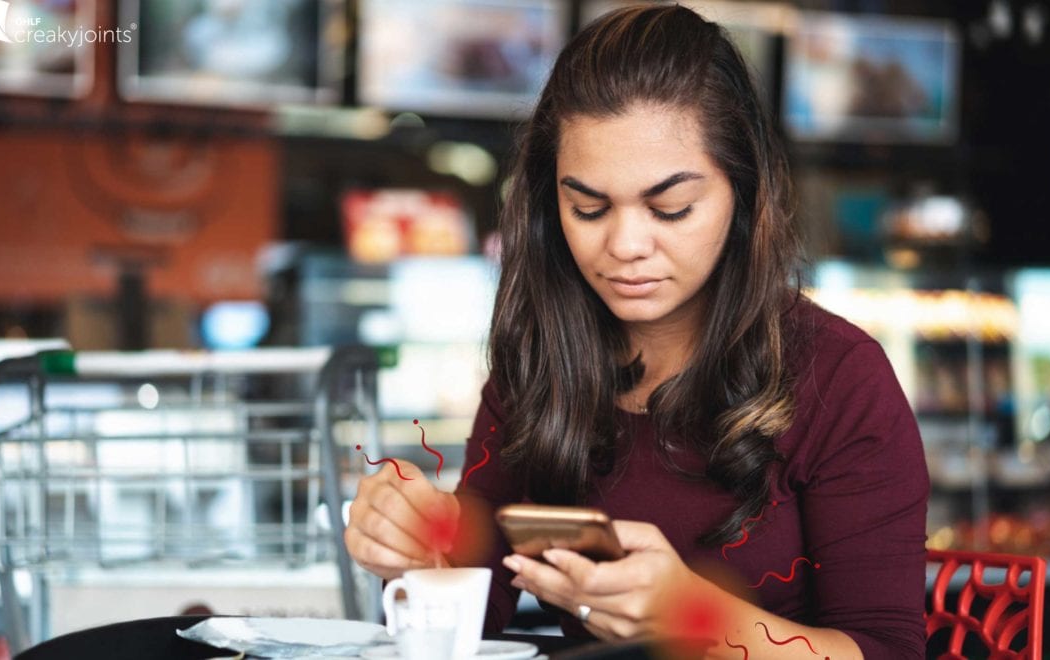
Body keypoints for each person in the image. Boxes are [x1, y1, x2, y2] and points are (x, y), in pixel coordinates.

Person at [346, 5, 929, 659]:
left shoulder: (840, 376)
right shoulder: (542, 356)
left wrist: (697, 618)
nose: (625, 245)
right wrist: (418, 545)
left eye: (670, 208)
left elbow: (889, 649)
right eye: (587, 207)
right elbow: (484, 600)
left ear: (743, 190)